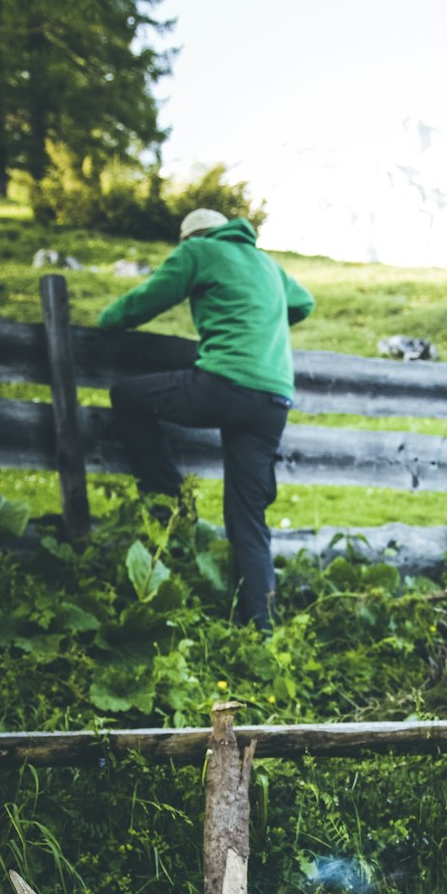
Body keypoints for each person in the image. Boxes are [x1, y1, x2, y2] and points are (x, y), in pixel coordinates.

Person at [99, 208, 314, 633]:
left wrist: (105, 322)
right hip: (273, 400)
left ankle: (170, 497)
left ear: (190, 238)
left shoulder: (198, 251)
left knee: (126, 396)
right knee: (248, 517)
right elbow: (303, 303)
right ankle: (261, 630)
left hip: (225, 386)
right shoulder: (267, 264)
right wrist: (261, 323)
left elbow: (147, 300)